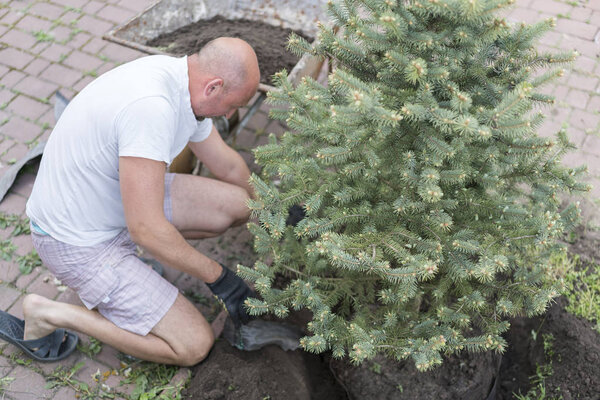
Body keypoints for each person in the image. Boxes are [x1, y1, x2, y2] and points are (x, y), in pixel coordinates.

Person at [7, 37, 260, 366]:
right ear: (213, 87)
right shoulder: (151, 108)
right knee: (194, 344)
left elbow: (226, 164)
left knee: (240, 204)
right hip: (76, 242)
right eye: (232, 105)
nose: (230, 113)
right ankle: (51, 312)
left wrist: (271, 212)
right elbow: (147, 230)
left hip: (113, 201)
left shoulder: (183, 83)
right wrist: (218, 277)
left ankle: (129, 278)